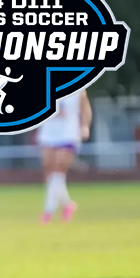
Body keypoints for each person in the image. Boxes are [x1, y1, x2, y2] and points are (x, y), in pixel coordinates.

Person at [35, 90, 92, 223]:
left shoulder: (78, 90)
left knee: (59, 167)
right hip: (48, 132)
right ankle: (67, 204)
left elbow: (85, 109)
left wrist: (85, 126)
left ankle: (48, 211)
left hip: (69, 133)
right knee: (49, 171)